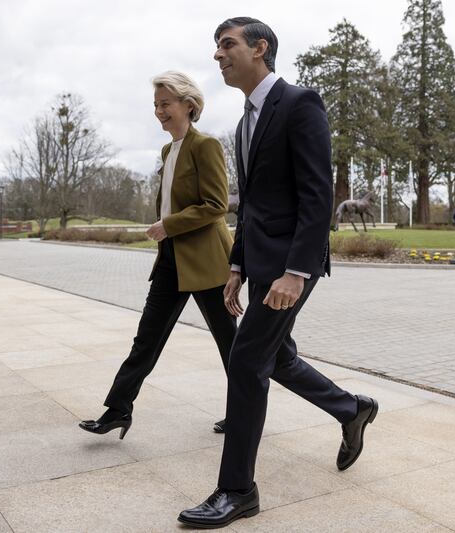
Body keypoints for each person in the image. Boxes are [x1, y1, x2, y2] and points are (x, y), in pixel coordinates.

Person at [178, 18, 378, 529]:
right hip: (260, 263)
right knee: (278, 359)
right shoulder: (245, 121)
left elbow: (317, 194)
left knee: (246, 361)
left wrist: (297, 272)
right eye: (216, 48)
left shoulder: (299, 103)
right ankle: (351, 409)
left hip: (292, 266)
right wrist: (238, 266)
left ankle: (237, 490)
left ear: (260, 48)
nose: (218, 56)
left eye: (228, 45)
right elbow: (252, 207)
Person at [79, 71, 236, 439]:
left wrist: (169, 225)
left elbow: (216, 205)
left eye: (165, 104)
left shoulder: (206, 146)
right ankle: (118, 409)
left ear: (188, 105)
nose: (159, 111)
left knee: (230, 344)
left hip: (207, 263)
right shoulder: (168, 150)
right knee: (146, 339)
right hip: (170, 262)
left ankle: (243, 412)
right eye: (156, 105)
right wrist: (167, 228)